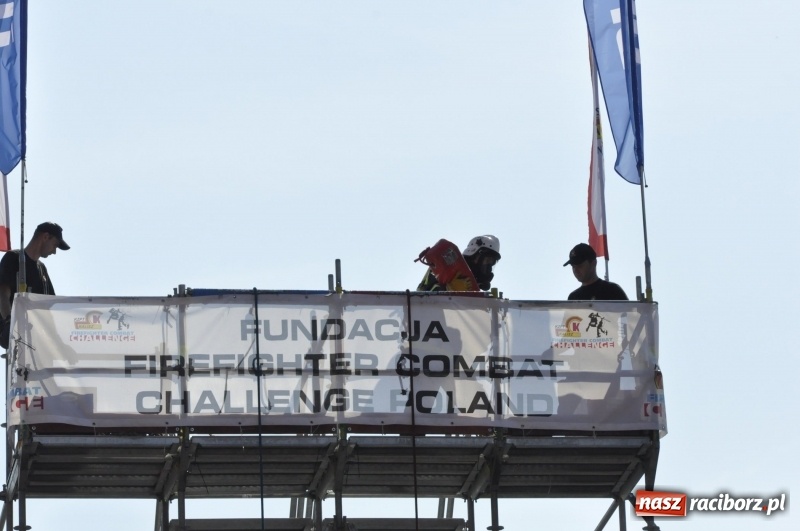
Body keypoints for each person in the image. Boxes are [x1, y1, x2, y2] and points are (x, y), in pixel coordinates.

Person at [0, 222, 70, 348]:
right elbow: (2, 294)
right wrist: (10, 322)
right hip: (15, 338)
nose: (54, 252)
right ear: (45, 237)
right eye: (54, 245)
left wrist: (59, 342)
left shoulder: (42, 269)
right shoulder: (13, 258)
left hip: (37, 342)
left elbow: (50, 307)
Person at [418, 234, 501, 292]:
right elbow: (422, 296)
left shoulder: (475, 286)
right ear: (474, 256)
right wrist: (449, 289)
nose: (488, 267)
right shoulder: (444, 266)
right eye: (487, 260)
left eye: (491, 263)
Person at [563, 243, 627, 301]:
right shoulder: (573, 298)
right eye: (573, 266)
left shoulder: (612, 291)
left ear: (593, 263)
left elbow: (629, 312)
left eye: (580, 265)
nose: (575, 270)